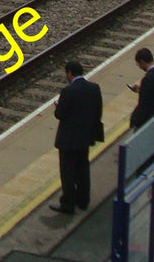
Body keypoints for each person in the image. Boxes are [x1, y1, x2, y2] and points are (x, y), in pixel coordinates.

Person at [50, 60, 103, 216]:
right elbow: (98, 111)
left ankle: (68, 204)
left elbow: (60, 114)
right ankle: (83, 200)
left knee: (68, 173)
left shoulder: (68, 91)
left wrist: (58, 107)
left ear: (70, 73)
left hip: (68, 140)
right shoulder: (94, 88)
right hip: (85, 137)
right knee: (83, 169)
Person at [128, 47, 154, 130]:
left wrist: (135, 120)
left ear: (142, 61)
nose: (139, 66)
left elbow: (144, 103)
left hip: (147, 120)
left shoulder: (147, 79)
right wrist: (141, 90)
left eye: (138, 64)